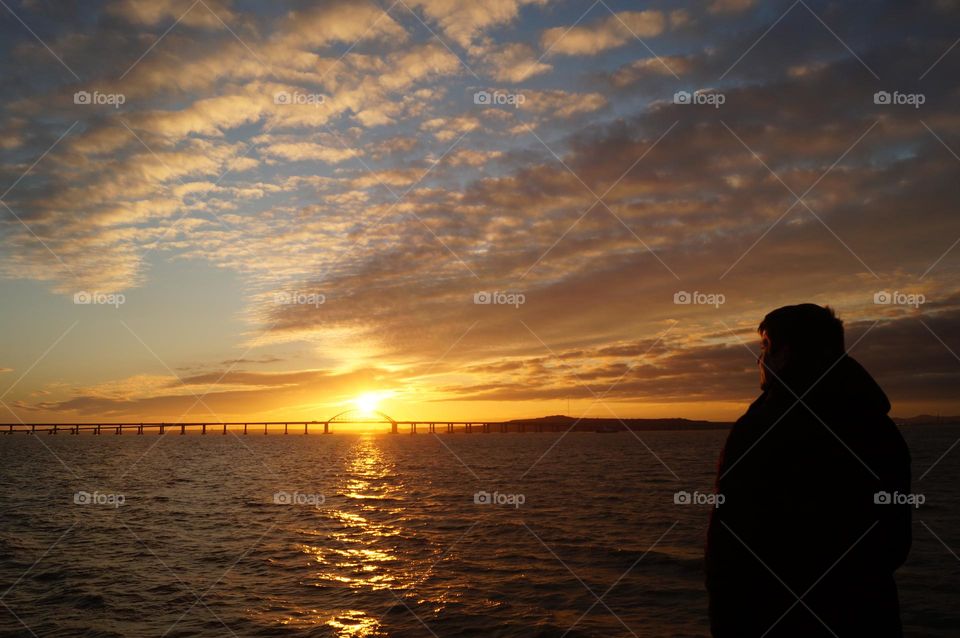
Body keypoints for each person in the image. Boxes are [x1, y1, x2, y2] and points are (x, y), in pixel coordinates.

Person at [705, 304, 912, 637]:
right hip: (868, 618)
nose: (760, 361)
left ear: (785, 354)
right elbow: (895, 541)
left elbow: (729, 552)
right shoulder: (879, 428)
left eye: (765, 349)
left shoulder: (761, 429)